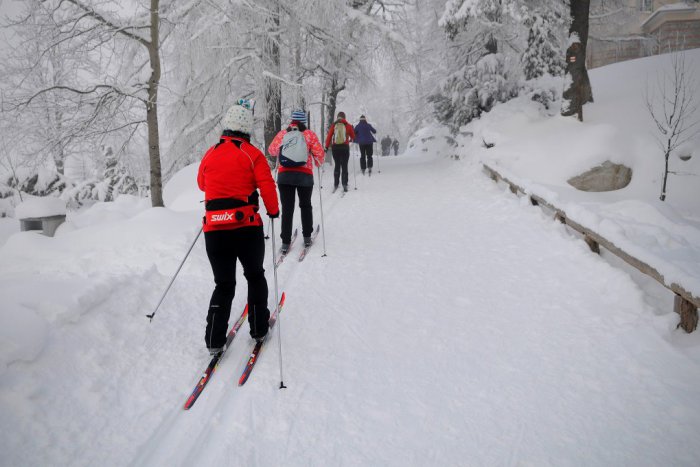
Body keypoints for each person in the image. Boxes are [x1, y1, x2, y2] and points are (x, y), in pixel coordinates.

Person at [197, 99, 280, 354]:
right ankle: (258, 328)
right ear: (246, 128)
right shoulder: (251, 153)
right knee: (254, 275)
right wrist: (273, 211)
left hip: (214, 230)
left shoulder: (210, 153)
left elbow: (201, 183)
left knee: (223, 284)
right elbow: (267, 185)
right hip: (246, 228)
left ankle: (213, 339)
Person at [268, 109, 325, 252]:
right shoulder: (309, 135)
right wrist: (316, 161)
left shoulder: (283, 134)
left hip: (284, 176)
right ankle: (307, 237)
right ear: (304, 121)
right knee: (305, 206)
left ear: (292, 120)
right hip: (304, 176)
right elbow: (320, 156)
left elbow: (272, 150)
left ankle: (285, 242)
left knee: (287, 208)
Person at [324, 111, 355, 192]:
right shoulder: (348, 125)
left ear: (337, 117)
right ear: (344, 117)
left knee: (337, 165)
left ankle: (336, 184)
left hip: (335, 148)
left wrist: (326, 147)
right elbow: (353, 137)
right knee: (344, 165)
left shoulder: (334, 125)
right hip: (345, 147)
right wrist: (352, 134)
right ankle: (344, 183)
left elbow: (329, 137)